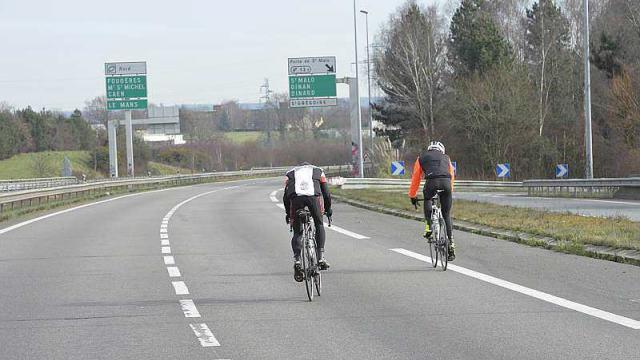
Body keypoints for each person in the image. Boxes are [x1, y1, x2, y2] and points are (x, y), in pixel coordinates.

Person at [283, 162, 332, 282]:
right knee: (319, 224)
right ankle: (320, 257)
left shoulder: (290, 173)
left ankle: (297, 261)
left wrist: (288, 215)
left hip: (296, 199)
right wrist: (328, 209)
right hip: (313, 197)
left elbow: (285, 197)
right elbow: (326, 193)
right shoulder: (318, 171)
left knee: (297, 232)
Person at [408, 141, 456, 261]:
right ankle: (451, 244)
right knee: (446, 214)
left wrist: (413, 196)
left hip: (431, 183)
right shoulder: (446, 158)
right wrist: (449, 192)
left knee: (428, 199)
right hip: (446, 184)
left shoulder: (421, 158)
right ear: (441, 150)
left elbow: (416, 178)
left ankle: (429, 226)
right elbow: (452, 175)